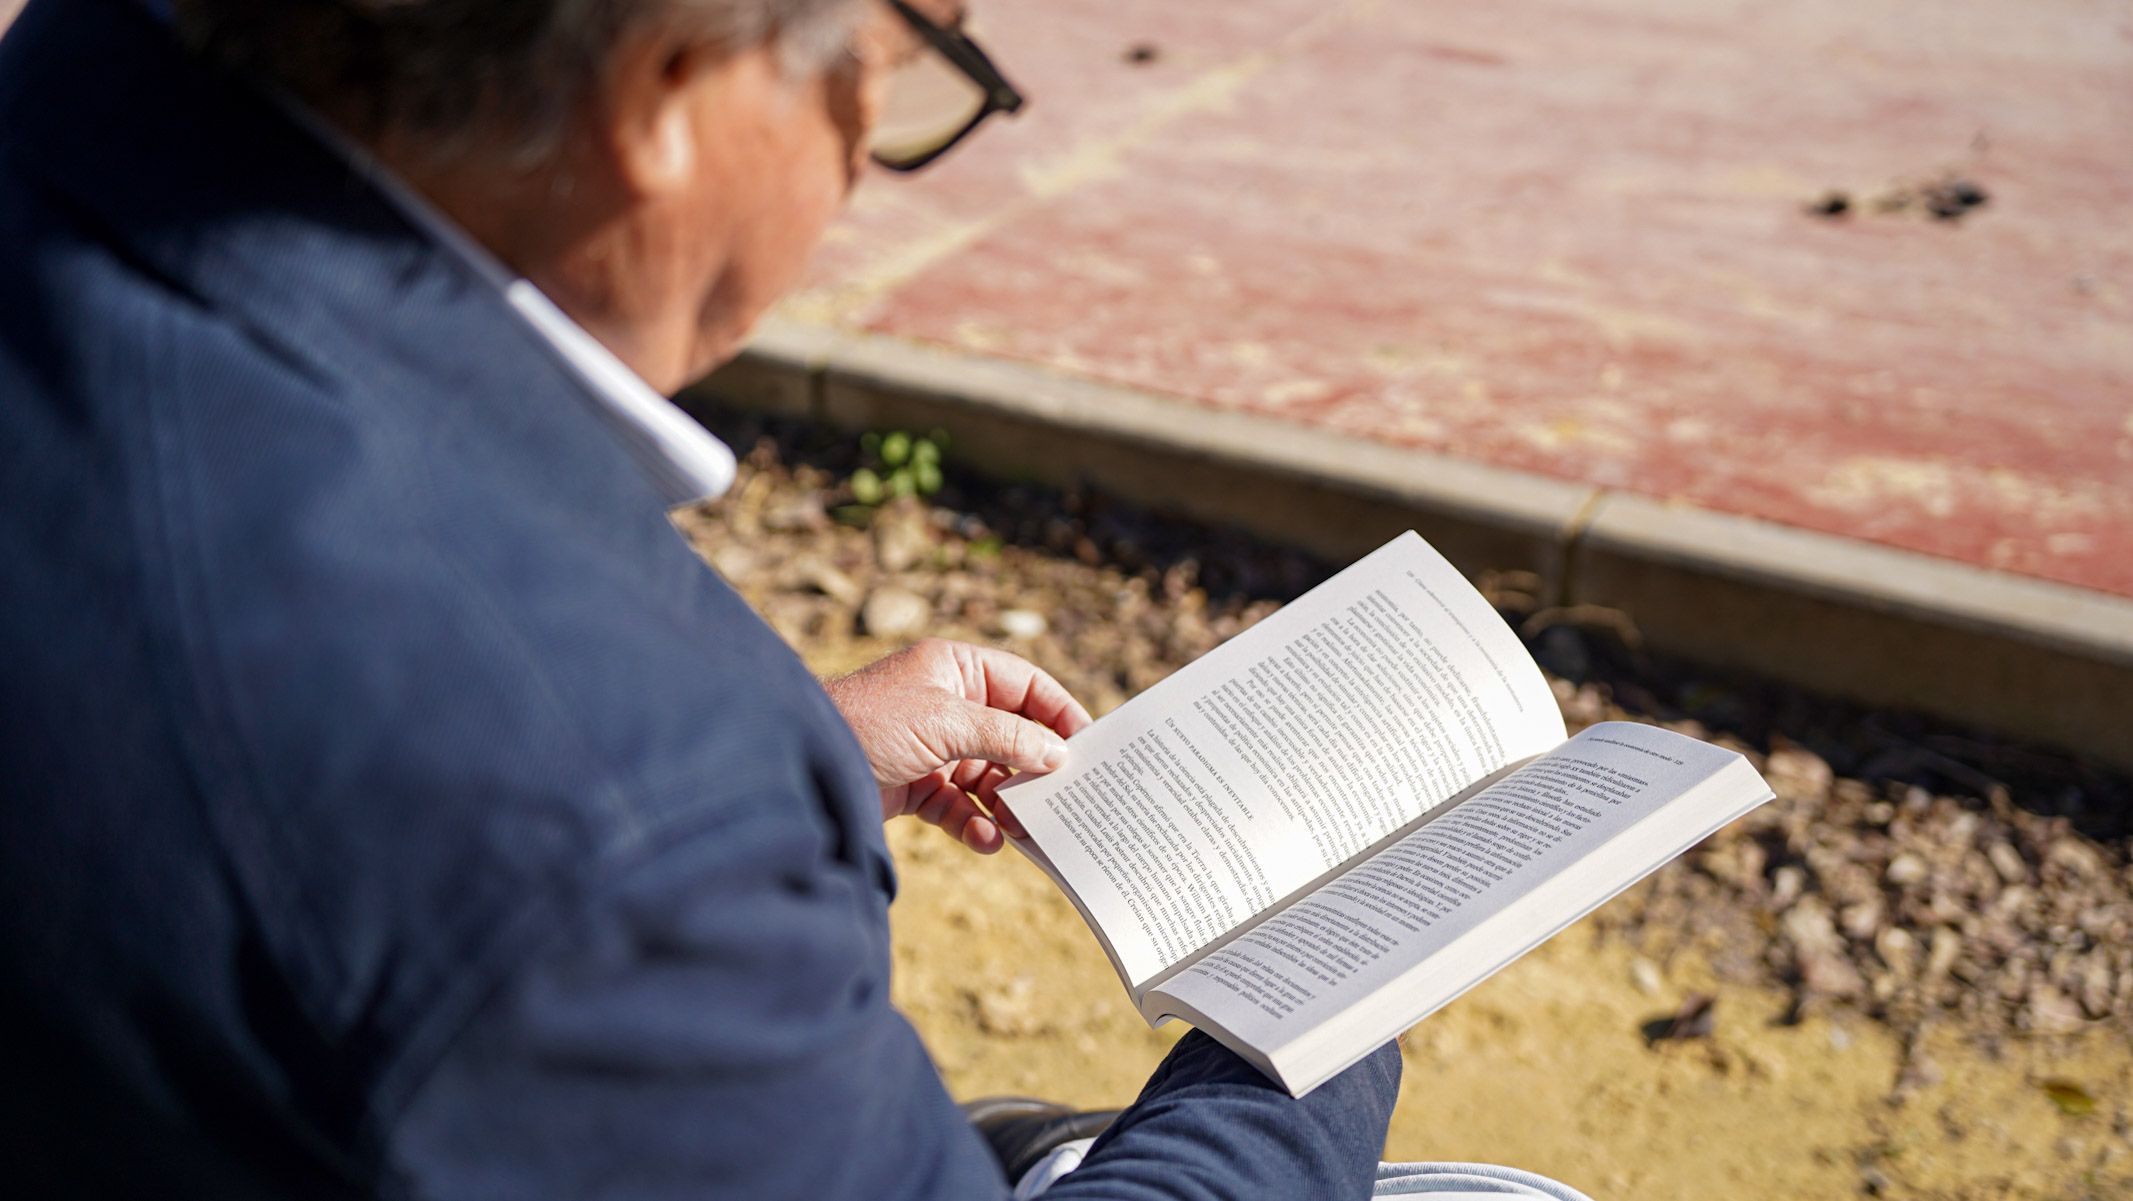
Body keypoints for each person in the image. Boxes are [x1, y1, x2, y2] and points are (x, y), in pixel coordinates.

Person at [0, 0, 1589, 1197]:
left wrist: (792, 740)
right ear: (668, 77)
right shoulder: (601, 824)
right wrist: (1314, 1019)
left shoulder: (63, 126)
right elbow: (500, 840)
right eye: (889, 77)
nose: (859, 167)